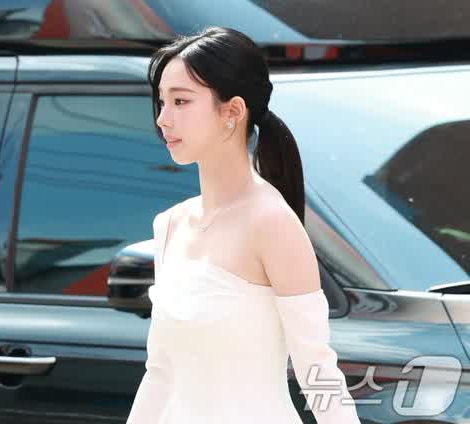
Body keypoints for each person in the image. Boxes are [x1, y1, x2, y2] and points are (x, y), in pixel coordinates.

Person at [126, 26, 361, 423]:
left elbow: (317, 370)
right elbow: (161, 372)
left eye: (181, 101)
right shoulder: (170, 224)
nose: (163, 119)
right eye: (162, 102)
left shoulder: (272, 223)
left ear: (232, 111)